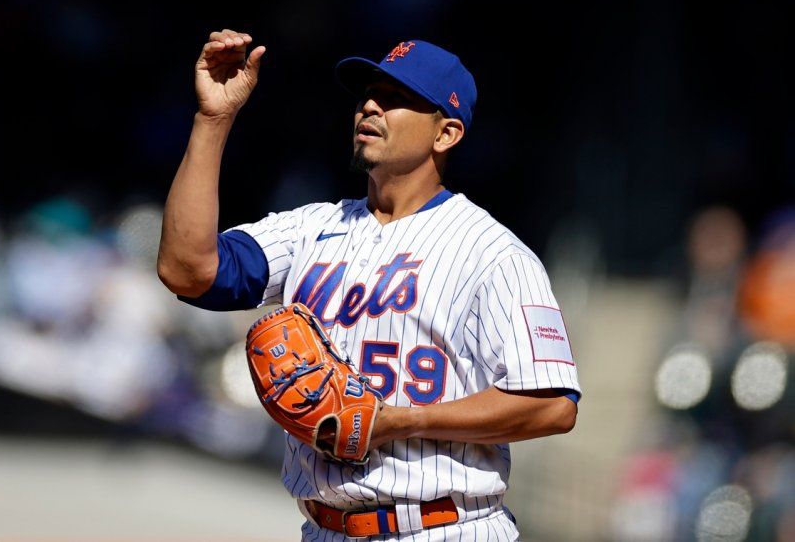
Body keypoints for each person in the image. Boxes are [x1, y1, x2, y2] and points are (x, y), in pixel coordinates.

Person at [157, 29, 582, 541]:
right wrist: (213, 120)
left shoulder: (493, 253)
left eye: (398, 98)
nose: (371, 106)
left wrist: (400, 422)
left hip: (443, 526)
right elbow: (187, 270)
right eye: (368, 94)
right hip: (325, 528)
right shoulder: (311, 228)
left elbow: (552, 405)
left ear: (445, 134)